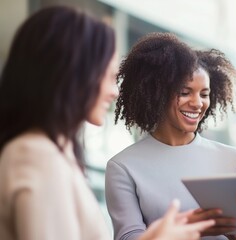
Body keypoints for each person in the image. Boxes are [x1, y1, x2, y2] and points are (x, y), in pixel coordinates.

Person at [0, 5, 215, 240]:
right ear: (75, 73)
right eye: (110, 76)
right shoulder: (37, 155)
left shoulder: (51, 152)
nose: (114, 92)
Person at [104, 32, 236, 240]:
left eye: (204, 94)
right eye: (185, 92)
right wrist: (189, 226)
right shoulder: (123, 166)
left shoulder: (234, 160)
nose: (198, 103)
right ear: (157, 93)